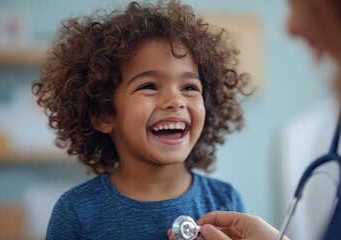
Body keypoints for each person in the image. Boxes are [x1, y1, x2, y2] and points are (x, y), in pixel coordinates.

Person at [32, 0, 251, 239]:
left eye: (189, 87)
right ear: (104, 113)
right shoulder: (76, 212)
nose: (175, 100)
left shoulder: (226, 202)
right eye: (149, 86)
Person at [190, 0, 341, 239]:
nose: (291, 27)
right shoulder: (300, 135)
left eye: (188, 87)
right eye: (149, 86)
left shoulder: (223, 197)